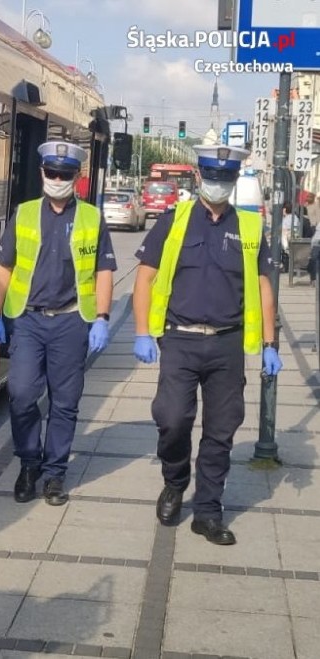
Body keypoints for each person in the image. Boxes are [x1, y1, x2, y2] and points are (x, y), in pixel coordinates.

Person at [132, 144, 282, 546]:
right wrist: (143, 332)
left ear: (234, 181)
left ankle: (208, 512)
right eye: (212, 177)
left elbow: (264, 287)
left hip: (227, 345)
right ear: (199, 177)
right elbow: (144, 277)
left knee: (221, 430)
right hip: (180, 340)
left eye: (225, 178)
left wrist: (271, 342)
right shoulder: (174, 220)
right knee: (172, 418)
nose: (218, 185)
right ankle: (176, 481)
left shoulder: (250, 228)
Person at [0, 141, 116, 505]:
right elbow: (4, 266)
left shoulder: (92, 217)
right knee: (22, 394)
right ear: (42, 172)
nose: (58, 179)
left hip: (72, 321)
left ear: (77, 177)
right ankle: (29, 462)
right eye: (52, 172)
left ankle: (54, 474)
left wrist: (103, 318)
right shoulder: (25, 213)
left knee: (66, 402)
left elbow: (103, 270)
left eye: (66, 174)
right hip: (27, 320)